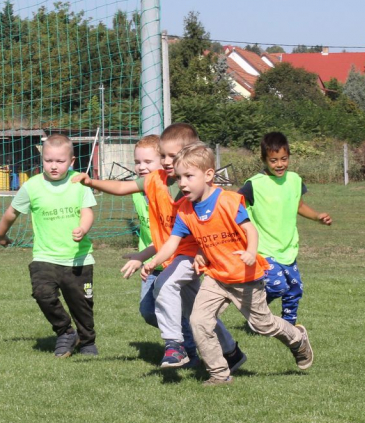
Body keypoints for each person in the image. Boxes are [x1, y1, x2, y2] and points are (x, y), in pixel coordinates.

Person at [74, 123, 244, 371]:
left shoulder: (195, 190)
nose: (165, 161)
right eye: (162, 155)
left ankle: (175, 346)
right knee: (196, 314)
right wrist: (91, 182)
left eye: (172, 156)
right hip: (168, 255)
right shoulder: (155, 180)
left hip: (190, 256)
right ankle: (231, 352)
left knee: (165, 285)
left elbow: (212, 226)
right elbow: (122, 187)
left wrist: (200, 252)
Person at [142, 143, 313, 386]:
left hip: (245, 275)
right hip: (216, 277)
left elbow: (250, 230)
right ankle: (219, 374)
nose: (182, 183)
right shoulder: (186, 211)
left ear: (209, 175)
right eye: (179, 177)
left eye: (189, 176)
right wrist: (153, 262)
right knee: (199, 322)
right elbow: (172, 244)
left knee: (262, 324)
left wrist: (251, 252)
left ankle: (297, 338)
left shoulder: (228, 202)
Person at [0, 134, 98, 357]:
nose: (53, 166)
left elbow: (87, 212)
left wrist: (83, 228)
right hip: (45, 256)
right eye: (48, 160)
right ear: (42, 159)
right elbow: (11, 213)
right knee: (42, 293)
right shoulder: (32, 186)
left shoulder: (79, 183)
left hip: (78, 257)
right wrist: (1, 234)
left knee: (81, 305)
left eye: (60, 161)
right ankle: (64, 332)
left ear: (71, 162)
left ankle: (88, 342)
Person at [237, 132, 331, 325]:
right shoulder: (254, 185)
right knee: (277, 286)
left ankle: (289, 326)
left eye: (283, 159)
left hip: (288, 247)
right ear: (264, 159)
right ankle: (256, 311)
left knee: (295, 289)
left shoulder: (295, 180)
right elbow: (235, 206)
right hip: (264, 249)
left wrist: (317, 217)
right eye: (274, 160)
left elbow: (298, 205)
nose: (279, 164)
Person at [123, 134, 200, 365]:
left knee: (184, 313)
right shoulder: (141, 192)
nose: (141, 167)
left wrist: (144, 257)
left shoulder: (179, 194)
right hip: (152, 260)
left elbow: (171, 236)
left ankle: (188, 350)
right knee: (148, 311)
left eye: (148, 162)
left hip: (174, 260)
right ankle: (186, 338)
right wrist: (141, 256)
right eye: (137, 162)